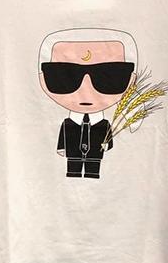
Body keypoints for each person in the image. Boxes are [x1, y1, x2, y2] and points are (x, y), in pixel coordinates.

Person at [38, 28, 137, 179]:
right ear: (42, 78)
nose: (86, 88)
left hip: (96, 156)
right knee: (73, 170)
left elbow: (108, 137)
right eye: (64, 75)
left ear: (131, 79)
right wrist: (61, 148)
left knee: (93, 170)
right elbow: (63, 137)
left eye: (110, 76)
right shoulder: (67, 123)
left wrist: (107, 145)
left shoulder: (105, 124)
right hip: (72, 156)